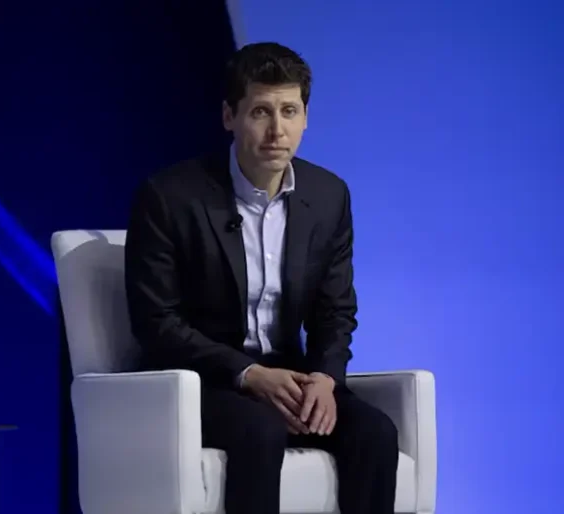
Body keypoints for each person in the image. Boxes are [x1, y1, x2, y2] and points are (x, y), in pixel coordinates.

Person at [124, 42, 399, 514]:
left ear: (306, 117)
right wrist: (249, 374)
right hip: (201, 381)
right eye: (261, 112)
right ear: (229, 116)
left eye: (290, 111)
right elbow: (156, 322)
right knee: (260, 429)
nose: (277, 131)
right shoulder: (170, 197)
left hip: (290, 376)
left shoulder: (328, 195)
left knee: (375, 433)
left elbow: (336, 310)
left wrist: (325, 379)